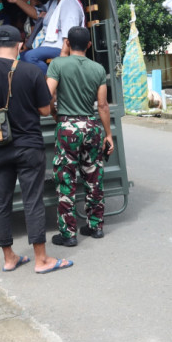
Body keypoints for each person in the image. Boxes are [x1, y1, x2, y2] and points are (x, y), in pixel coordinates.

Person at [0, 25, 73, 275]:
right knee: (32, 200)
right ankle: (41, 259)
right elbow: (46, 110)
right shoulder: (32, 71)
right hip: (28, 146)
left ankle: (9, 257)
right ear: (20, 46)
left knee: (0, 202)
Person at [45, 27, 113, 247]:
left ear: (67, 43)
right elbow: (102, 105)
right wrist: (108, 134)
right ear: (89, 45)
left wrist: (55, 113)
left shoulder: (57, 64)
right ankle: (96, 226)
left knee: (66, 179)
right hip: (91, 126)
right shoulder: (98, 68)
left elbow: (47, 96)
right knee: (93, 177)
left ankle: (68, 233)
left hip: (67, 127)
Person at [20, 0, 85, 69]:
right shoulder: (53, 3)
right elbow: (37, 13)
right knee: (20, 57)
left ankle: (48, 79)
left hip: (59, 47)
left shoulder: (69, 2)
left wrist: (63, 56)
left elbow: (70, 34)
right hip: (47, 45)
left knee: (30, 57)